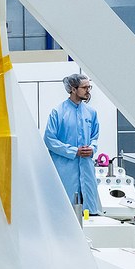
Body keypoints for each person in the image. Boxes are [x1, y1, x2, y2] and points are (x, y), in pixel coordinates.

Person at [45, 73, 101, 217]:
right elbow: (49, 140)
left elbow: (95, 136)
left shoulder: (91, 112)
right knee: (65, 211)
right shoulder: (58, 112)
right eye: (84, 87)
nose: (88, 91)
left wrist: (92, 149)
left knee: (89, 209)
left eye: (89, 87)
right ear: (73, 89)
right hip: (65, 168)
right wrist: (74, 151)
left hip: (86, 166)